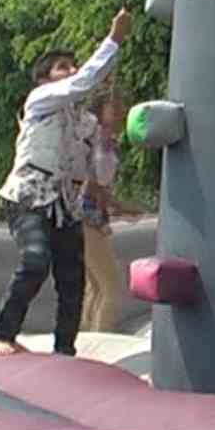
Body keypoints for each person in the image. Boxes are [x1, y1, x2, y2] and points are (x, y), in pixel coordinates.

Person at [0, 8, 132, 357]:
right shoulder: (40, 102)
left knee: (73, 278)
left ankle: (65, 349)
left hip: (64, 204)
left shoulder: (82, 121)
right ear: (45, 80)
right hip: (28, 196)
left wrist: (106, 138)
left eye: (71, 65)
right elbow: (83, 82)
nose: (70, 71)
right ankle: (3, 332)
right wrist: (114, 40)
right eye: (61, 68)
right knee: (36, 259)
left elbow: (98, 171)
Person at [77, 86, 130, 333]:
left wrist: (117, 206)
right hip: (86, 214)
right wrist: (116, 205)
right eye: (114, 108)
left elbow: (102, 184)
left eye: (122, 107)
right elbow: (91, 182)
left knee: (96, 285)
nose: (121, 112)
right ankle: (101, 340)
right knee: (110, 285)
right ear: (100, 110)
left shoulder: (110, 143)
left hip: (96, 214)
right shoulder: (92, 139)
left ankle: (87, 336)